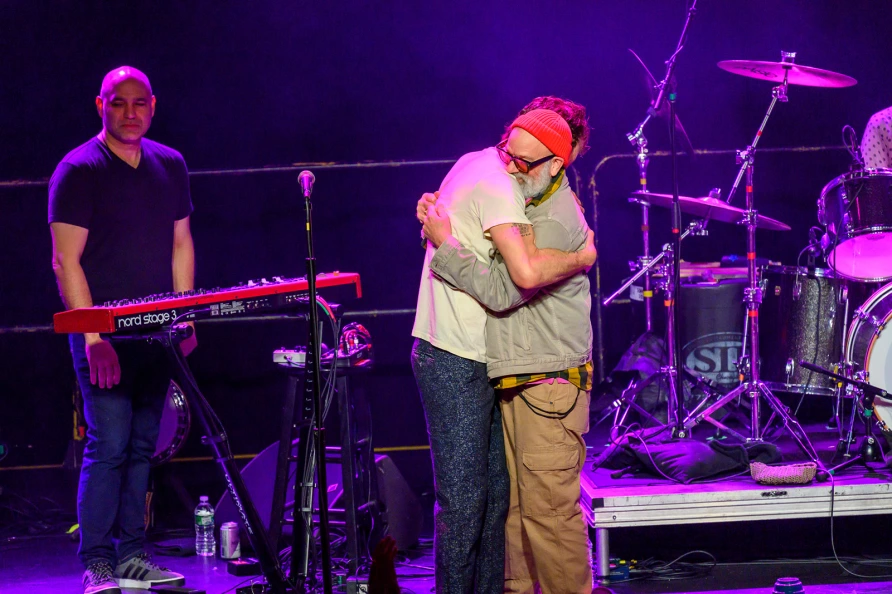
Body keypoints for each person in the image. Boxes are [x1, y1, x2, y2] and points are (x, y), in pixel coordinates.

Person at [411, 105, 596, 594]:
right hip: (509, 376)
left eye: (526, 162)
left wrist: (447, 243)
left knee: (546, 514)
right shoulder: (503, 180)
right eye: (508, 154)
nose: (511, 167)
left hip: (547, 382)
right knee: (501, 508)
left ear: (559, 162)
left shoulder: (553, 217)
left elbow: (510, 286)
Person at [49, 66, 195, 594]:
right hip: (102, 334)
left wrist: (184, 315)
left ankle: (133, 556)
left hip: (155, 330)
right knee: (108, 445)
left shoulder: (170, 164)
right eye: (118, 103)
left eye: (139, 104)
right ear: (100, 105)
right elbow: (66, 262)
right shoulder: (78, 169)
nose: (129, 113)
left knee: (141, 446)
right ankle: (98, 564)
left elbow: (181, 243)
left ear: (152, 106)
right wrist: (93, 339)